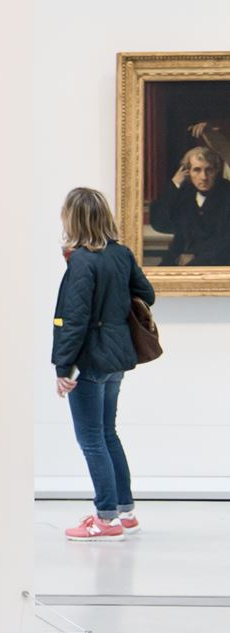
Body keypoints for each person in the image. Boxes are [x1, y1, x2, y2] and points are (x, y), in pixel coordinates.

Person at [53, 187, 157, 542]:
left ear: (75, 219)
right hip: (117, 356)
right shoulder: (121, 254)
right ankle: (125, 513)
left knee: (91, 439)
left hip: (90, 360)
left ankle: (106, 519)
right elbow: (148, 294)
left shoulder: (82, 260)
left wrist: (62, 368)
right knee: (108, 433)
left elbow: (74, 319)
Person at [148, 145, 230, 266]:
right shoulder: (183, 193)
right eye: (197, 170)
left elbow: (225, 239)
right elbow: (159, 223)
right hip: (180, 256)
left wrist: (195, 254)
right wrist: (174, 184)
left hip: (216, 260)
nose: (204, 177)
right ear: (188, 172)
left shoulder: (226, 192)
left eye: (209, 170)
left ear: (217, 171)